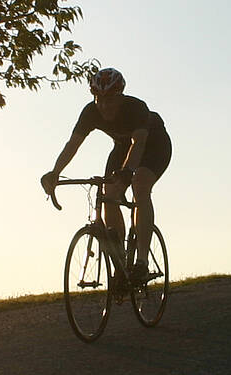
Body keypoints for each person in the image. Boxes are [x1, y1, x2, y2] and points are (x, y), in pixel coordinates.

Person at [42, 68, 172, 283]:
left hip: (154, 146)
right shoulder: (90, 112)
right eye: (98, 99)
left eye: (109, 99)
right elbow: (72, 144)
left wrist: (128, 172)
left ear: (120, 96)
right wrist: (55, 173)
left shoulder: (136, 108)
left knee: (140, 184)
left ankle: (141, 262)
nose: (103, 105)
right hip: (122, 146)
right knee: (109, 192)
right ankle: (121, 261)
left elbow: (138, 143)